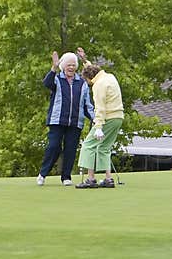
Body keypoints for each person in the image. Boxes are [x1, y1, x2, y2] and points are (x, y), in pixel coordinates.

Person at [36, 49, 94, 186]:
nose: (71, 67)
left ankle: (66, 177)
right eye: (68, 65)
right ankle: (43, 174)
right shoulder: (57, 79)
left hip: (75, 122)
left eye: (73, 65)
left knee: (71, 149)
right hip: (57, 120)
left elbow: (87, 105)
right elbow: (46, 83)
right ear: (63, 66)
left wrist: (94, 118)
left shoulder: (82, 83)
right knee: (54, 146)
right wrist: (54, 67)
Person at [75, 53, 124, 189]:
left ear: (90, 79)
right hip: (118, 117)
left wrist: (98, 127)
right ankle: (108, 179)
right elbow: (92, 69)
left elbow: (100, 108)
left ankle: (91, 179)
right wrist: (84, 60)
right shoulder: (109, 76)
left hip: (107, 118)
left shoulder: (98, 85)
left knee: (88, 145)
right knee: (104, 148)